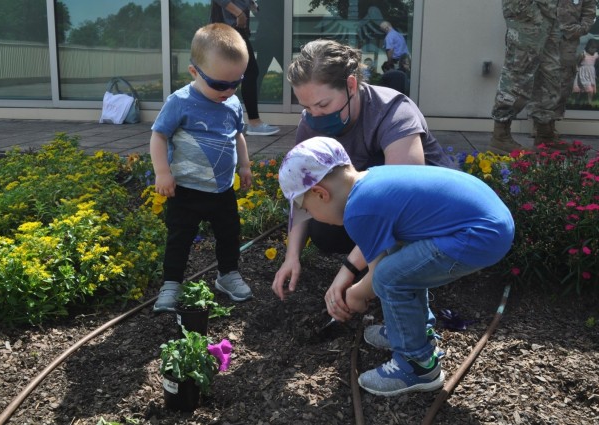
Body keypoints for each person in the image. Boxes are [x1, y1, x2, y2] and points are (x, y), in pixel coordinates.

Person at [278, 137, 514, 396]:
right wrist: (360, 287)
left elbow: (380, 275)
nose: (312, 217)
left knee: (391, 277)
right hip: (490, 222)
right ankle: (410, 330)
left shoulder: (359, 211)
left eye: (307, 210)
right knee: (401, 263)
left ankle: (417, 364)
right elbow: (388, 255)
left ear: (321, 194)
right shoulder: (373, 181)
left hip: (478, 235)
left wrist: (357, 294)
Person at [272, 40, 455, 327]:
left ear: (351, 85)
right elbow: (304, 190)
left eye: (323, 104)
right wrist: (291, 256)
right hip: (373, 208)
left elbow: (398, 203)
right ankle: (377, 267)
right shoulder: (312, 121)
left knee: (396, 250)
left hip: (427, 217)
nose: (315, 117)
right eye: (306, 107)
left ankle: (403, 288)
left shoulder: (394, 112)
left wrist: (347, 272)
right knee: (323, 229)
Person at [150, 23, 254, 313]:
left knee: (229, 233)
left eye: (237, 82)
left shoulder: (231, 102)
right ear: (194, 72)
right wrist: (162, 172)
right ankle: (172, 283)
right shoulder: (180, 102)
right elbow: (158, 135)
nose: (229, 90)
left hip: (222, 189)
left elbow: (237, 134)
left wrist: (244, 165)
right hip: (185, 190)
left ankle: (228, 274)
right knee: (179, 238)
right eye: (220, 84)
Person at [488, 0, 561, 153]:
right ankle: (500, 135)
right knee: (519, 70)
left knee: (549, 71)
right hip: (526, 9)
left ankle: (545, 133)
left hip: (550, 11)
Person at [211, 0, 280, 136]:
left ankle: (214, 121)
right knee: (250, 71)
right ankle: (254, 123)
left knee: (227, 74)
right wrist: (239, 13)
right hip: (229, 28)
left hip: (232, 28)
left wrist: (250, 4)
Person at [531, 0, 596, 139]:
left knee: (564, 80)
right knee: (541, 78)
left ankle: (551, 124)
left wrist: (581, 29)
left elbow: (590, 9)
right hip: (543, 35)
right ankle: (539, 124)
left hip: (568, 39)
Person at [573, 38, 599, 105]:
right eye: (592, 48)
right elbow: (577, 63)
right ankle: (577, 101)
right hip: (582, 74)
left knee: (590, 89)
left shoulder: (595, 55)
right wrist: (576, 69)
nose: (594, 49)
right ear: (588, 46)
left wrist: (595, 74)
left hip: (591, 74)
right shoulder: (583, 54)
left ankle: (589, 102)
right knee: (579, 90)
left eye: (595, 48)